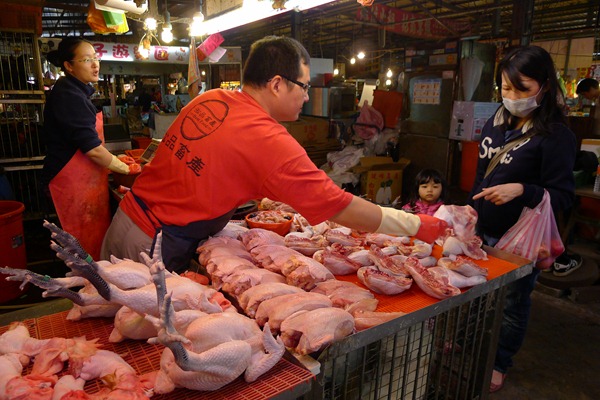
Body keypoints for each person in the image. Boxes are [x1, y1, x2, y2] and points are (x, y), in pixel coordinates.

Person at [100, 35, 448, 272]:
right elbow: (340, 206)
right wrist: (416, 224)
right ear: (278, 83)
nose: (307, 96)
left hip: (125, 222)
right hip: (152, 244)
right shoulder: (268, 139)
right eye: (304, 86)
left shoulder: (212, 98)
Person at [466, 45, 576, 393]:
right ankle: (466, 341)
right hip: (482, 231)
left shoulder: (556, 137)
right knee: (472, 294)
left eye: (522, 88)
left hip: (520, 241)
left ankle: (500, 361)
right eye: (505, 87)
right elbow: (482, 175)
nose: (511, 96)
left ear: (544, 85)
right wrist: (470, 211)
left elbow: (563, 196)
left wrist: (522, 190)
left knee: (512, 304)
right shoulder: (494, 122)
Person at [42, 37, 141, 260]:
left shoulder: (75, 91)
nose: (95, 64)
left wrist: (117, 161)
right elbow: (92, 148)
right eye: (87, 60)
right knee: (79, 245)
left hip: (83, 181)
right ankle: (84, 287)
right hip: (71, 183)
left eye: (95, 58)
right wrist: (125, 169)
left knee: (88, 247)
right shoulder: (69, 95)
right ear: (69, 66)